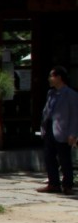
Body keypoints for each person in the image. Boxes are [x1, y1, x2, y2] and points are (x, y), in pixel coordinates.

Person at [38, 65, 78, 195]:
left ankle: (68, 185)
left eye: (51, 76)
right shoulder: (51, 93)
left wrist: (73, 134)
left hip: (63, 131)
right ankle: (53, 183)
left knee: (64, 159)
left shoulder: (71, 94)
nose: (49, 79)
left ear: (59, 78)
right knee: (49, 157)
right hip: (49, 129)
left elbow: (75, 116)